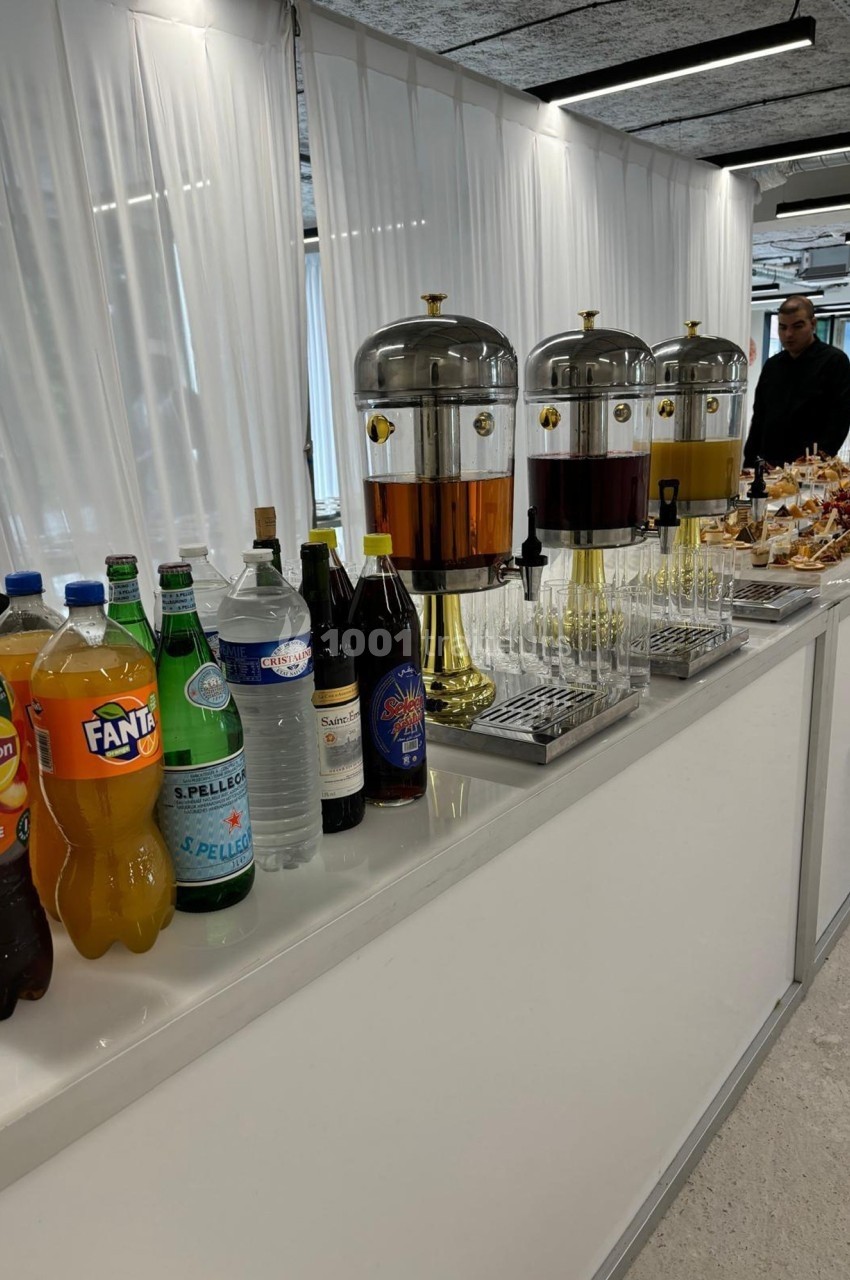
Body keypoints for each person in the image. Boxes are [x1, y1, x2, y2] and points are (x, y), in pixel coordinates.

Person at [743, 296, 850, 467]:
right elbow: (759, 418)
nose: (789, 334)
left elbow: (840, 420)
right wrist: (749, 462)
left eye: (797, 326)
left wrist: (818, 462)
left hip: (809, 468)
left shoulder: (835, 361)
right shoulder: (772, 365)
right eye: (783, 327)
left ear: (813, 324)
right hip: (769, 466)